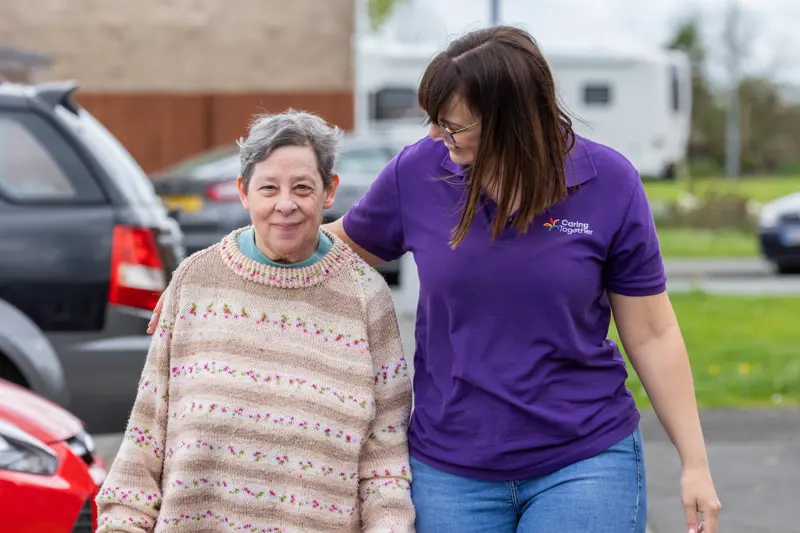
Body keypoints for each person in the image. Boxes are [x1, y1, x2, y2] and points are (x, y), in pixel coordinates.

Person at [150, 26, 722, 533]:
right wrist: (209, 278)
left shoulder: (610, 183)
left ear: (510, 120)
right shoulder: (420, 171)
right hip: (451, 468)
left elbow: (652, 333)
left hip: (583, 459)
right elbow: (327, 248)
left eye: (450, 124)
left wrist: (695, 464)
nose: (432, 134)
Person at [100, 110, 415, 533]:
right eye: (269, 188)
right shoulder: (196, 281)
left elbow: (385, 464)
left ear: (329, 191)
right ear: (244, 193)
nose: (285, 204)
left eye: (302, 187)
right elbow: (146, 435)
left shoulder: (367, 297)